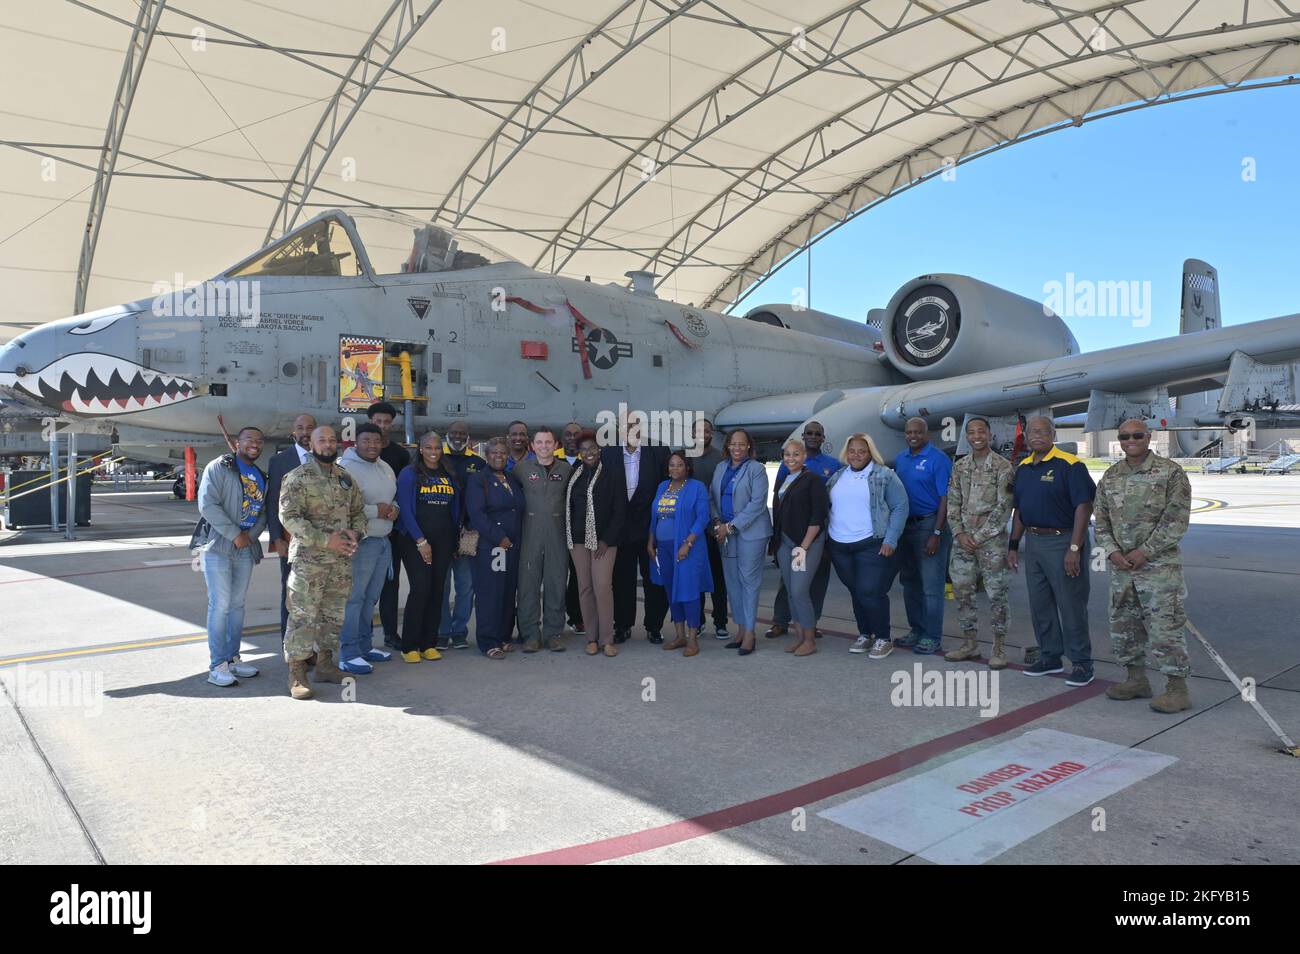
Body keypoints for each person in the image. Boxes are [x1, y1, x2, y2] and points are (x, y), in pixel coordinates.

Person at [1094, 420, 1193, 713]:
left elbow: (1176, 521)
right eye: (1125, 436)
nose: (1131, 440)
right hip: (1123, 569)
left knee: (1166, 628)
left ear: (1149, 437)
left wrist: (1145, 552)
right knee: (1124, 627)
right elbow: (1100, 522)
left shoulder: (1170, 472)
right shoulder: (1110, 477)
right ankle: (1136, 680)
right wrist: (1112, 553)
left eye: (1138, 435)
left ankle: (1177, 689)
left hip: (1159, 568)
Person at [1007, 416, 1097, 686]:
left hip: (1063, 540)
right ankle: (1050, 656)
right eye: (1032, 432)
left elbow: (1084, 506)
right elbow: (1019, 510)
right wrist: (1013, 545)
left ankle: (1082, 663)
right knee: (1040, 604)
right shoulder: (1023, 468)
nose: (1037, 436)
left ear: (1053, 434)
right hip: (1034, 541)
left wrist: (1074, 548)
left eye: (1043, 431)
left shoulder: (1070, 465)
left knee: (1071, 604)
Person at [279, 425, 366, 700]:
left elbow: (358, 512)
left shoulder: (345, 479)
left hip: (340, 563)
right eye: (322, 440)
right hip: (309, 562)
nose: (328, 444)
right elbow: (289, 517)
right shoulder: (297, 477)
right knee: (303, 615)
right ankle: (297, 672)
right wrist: (324, 540)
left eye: (331, 440)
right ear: (311, 444)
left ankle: (326, 665)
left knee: (333, 615)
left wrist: (356, 532)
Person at [194, 426, 268, 686]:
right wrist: (234, 533)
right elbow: (207, 504)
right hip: (219, 547)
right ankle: (217, 665)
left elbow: (263, 513)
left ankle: (233, 659)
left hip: (246, 548)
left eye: (259, 441)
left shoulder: (260, 475)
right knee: (221, 605)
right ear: (237, 442)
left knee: (237, 605)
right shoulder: (219, 467)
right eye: (249, 440)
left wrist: (251, 536)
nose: (255, 444)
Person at [826, 433, 910, 659]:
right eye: (852, 451)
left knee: (870, 591)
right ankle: (865, 633)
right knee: (856, 591)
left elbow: (900, 507)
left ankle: (883, 637)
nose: (856, 455)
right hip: (840, 545)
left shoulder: (883, 475)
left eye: (862, 451)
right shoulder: (838, 476)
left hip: (871, 543)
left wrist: (891, 540)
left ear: (870, 452)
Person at [944, 417, 1014, 669]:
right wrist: (959, 534)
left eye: (980, 431)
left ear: (989, 434)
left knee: (997, 594)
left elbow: (1003, 507)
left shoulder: (1002, 466)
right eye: (971, 432)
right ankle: (969, 643)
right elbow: (953, 501)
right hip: (962, 540)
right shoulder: (960, 466)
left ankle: (999, 647)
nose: (976, 436)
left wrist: (979, 537)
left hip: (990, 541)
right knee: (962, 591)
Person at [766, 421, 841, 640]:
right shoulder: (786, 467)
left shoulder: (832, 465)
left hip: (815, 535)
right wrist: (776, 536)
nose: (813, 436)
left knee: (815, 583)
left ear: (823, 438)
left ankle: (810, 624)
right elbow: (778, 498)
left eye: (818, 433)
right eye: (809, 433)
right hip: (789, 535)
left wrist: (820, 539)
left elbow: (829, 505)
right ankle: (781, 621)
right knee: (789, 584)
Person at [338, 423, 399, 674]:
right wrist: (377, 511)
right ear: (356, 442)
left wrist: (395, 508)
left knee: (370, 599)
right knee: (354, 599)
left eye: (376, 441)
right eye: (366, 441)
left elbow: (392, 497)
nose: (372, 445)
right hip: (361, 543)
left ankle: (365, 646)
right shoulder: (346, 468)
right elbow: (342, 506)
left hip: (383, 542)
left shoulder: (385, 467)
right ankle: (348, 652)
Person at [602, 415, 670, 643]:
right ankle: (622, 625)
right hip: (620, 531)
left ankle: (654, 626)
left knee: (653, 580)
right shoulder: (608, 453)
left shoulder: (659, 451)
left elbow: (666, 489)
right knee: (622, 581)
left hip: (650, 529)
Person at [395, 431, 460, 663]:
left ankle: (428, 643)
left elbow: (454, 509)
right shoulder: (409, 473)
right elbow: (406, 509)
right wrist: (421, 541)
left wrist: (453, 540)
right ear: (420, 449)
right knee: (421, 588)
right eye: (429, 448)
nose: (434, 452)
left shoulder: (448, 473)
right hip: (415, 539)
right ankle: (409, 645)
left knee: (438, 590)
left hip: (443, 539)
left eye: (437, 448)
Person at [893, 418, 953, 655]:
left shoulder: (938, 460)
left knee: (931, 586)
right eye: (909, 432)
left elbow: (944, 499)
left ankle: (932, 636)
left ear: (926, 434)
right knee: (909, 583)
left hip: (929, 525)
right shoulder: (901, 459)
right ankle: (916, 630)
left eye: (918, 432)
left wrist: (937, 533)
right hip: (906, 527)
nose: (913, 436)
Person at [710, 428, 771, 656]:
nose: (737, 448)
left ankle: (750, 633)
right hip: (725, 533)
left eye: (741, 444)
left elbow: (757, 504)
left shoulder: (757, 469)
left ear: (748, 447)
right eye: (733, 444)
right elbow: (712, 497)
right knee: (733, 582)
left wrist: (730, 526)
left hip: (750, 533)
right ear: (727, 446)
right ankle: (740, 629)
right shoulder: (720, 467)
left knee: (749, 581)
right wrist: (717, 521)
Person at [648, 451, 714, 657]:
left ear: (688, 468)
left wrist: (688, 543)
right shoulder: (662, 487)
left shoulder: (697, 488)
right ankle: (679, 636)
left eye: (679, 465)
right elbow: (655, 517)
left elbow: (703, 518)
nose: (674, 469)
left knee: (688, 592)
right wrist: (651, 541)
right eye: (671, 465)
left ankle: (693, 638)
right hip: (663, 548)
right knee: (671, 590)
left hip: (687, 548)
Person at [565, 432, 625, 656]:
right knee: (585, 588)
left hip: (603, 541)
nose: (589, 453)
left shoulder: (612, 474)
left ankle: (607, 639)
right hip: (577, 540)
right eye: (584, 449)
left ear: (599, 450)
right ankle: (591, 637)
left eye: (593, 449)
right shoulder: (575, 474)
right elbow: (569, 507)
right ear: (579, 453)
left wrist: (607, 540)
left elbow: (620, 511)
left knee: (602, 587)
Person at [465, 437, 526, 658]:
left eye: (502, 453)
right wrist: (499, 537)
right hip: (491, 546)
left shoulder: (512, 477)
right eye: (494, 453)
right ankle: (488, 641)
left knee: (508, 591)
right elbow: (477, 514)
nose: (498, 456)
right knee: (490, 593)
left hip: (513, 545)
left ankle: (502, 636)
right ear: (486, 455)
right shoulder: (478, 479)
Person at [515, 427, 573, 652]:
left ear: (556, 444)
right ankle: (530, 634)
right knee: (528, 586)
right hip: (530, 534)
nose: (544, 446)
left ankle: (553, 634)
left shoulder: (566, 470)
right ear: (532, 446)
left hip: (557, 535)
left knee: (556, 584)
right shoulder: (521, 469)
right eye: (539, 442)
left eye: (548, 442)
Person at [770, 439, 831, 657]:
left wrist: (804, 547)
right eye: (787, 455)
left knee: (799, 591)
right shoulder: (785, 479)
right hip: (784, 542)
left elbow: (818, 516)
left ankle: (810, 639)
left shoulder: (813, 480)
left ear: (804, 457)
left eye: (796, 454)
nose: (791, 459)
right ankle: (800, 637)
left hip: (806, 543)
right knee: (790, 592)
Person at [366, 402, 412, 651]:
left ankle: (391, 634)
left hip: (393, 531)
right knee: (364, 586)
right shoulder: (358, 453)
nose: (382, 426)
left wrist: (396, 510)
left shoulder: (400, 454)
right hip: (366, 531)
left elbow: (404, 490)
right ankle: (362, 636)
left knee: (390, 584)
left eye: (386, 422)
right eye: (377, 422)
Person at [265, 413, 315, 639]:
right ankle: (291, 647)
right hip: (291, 540)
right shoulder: (279, 461)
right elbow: (272, 500)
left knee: (317, 595)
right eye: (300, 428)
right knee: (291, 593)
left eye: (309, 428)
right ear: (293, 432)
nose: (305, 432)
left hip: (321, 543)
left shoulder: (328, 458)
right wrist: (277, 538)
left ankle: (311, 646)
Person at [438, 420, 483, 650]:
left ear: (468, 437)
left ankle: (459, 632)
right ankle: (442, 631)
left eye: (462, 433)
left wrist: (471, 527)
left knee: (465, 586)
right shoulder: (437, 461)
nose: (458, 436)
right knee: (443, 587)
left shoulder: (478, 463)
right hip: (443, 534)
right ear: (448, 434)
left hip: (468, 534)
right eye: (454, 432)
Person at [690, 417, 729, 639]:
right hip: (693, 527)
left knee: (717, 578)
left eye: (706, 430)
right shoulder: (684, 457)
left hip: (713, 525)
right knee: (696, 577)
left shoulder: (720, 459)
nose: (702, 433)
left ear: (711, 433)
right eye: (698, 430)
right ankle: (699, 620)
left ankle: (721, 621)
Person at [559, 421, 586, 636]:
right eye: (567, 434)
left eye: (575, 434)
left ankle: (577, 617)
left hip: (579, 530)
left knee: (578, 576)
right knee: (556, 576)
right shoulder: (552, 460)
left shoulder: (589, 462)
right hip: (555, 528)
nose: (571, 438)